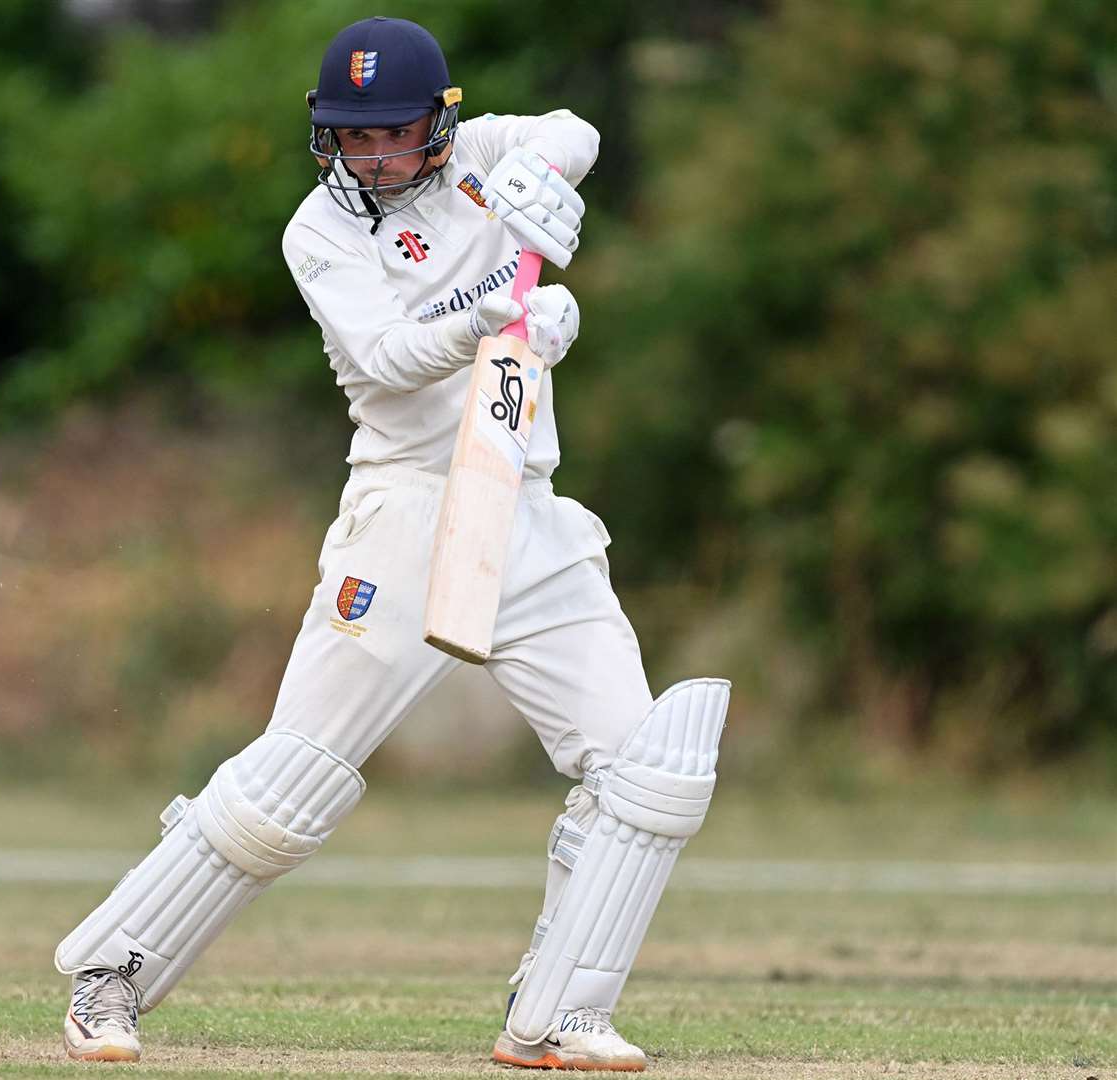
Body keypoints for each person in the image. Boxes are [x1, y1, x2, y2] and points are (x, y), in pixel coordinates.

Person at [54, 16, 729, 1071]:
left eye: (393, 132)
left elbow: (577, 129)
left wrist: (546, 169)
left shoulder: (485, 155)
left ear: (440, 121)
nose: (371, 155)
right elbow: (386, 355)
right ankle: (111, 976)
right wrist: (500, 320)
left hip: (527, 501)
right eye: (350, 135)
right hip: (408, 506)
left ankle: (555, 1014)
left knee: (646, 771)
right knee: (295, 780)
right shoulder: (315, 232)